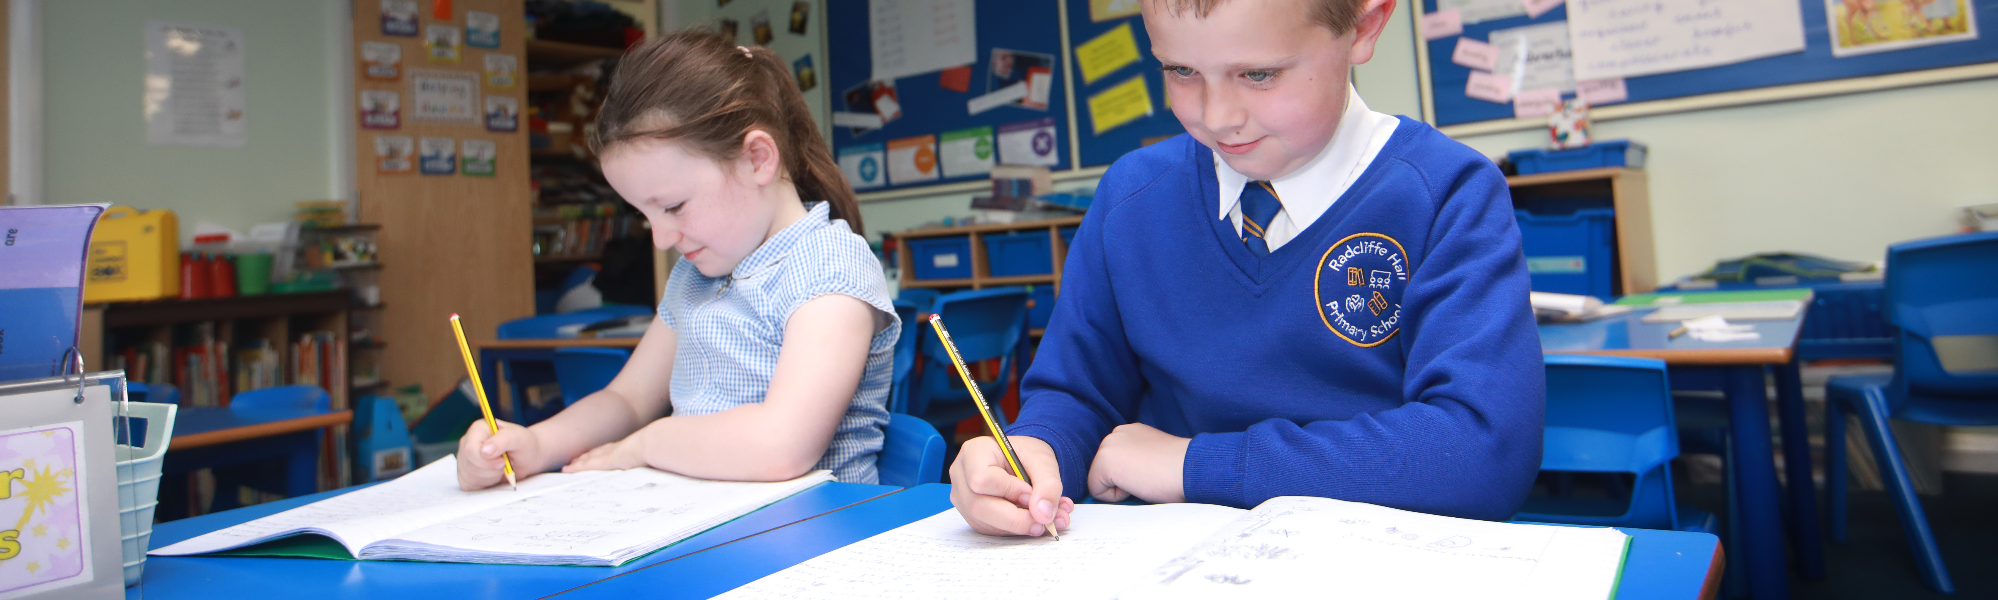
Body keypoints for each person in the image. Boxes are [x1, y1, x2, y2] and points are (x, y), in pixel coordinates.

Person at [950, 0, 1545, 537]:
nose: (1216, 116)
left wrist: (1193, 465)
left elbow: (1481, 452)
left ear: (1365, 27)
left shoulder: (1446, 192)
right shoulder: (1132, 197)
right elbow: (1076, 395)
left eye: (1258, 74)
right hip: (1167, 559)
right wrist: (1033, 455)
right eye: (1180, 71)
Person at [458, 31, 898, 489]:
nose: (662, 238)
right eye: (645, 215)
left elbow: (781, 445)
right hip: (706, 525)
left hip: (817, 535)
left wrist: (647, 444)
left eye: (672, 207)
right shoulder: (697, 275)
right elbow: (626, 400)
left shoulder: (830, 268)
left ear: (757, 159)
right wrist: (536, 444)